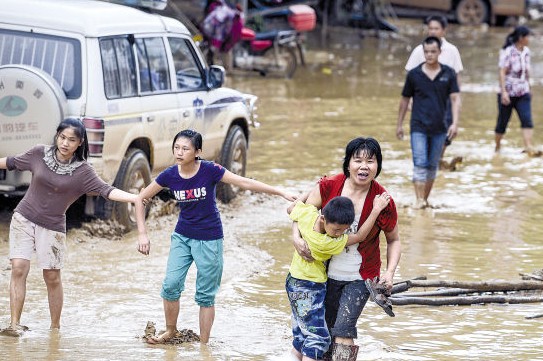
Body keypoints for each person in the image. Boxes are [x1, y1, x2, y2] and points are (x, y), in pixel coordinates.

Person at [135, 129, 296, 344]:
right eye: (176, 148)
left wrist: (280, 192)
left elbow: (244, 182)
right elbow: (140, 199)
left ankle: (204, 345)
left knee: (205, 295)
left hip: (210, 239)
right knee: (170, 286)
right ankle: (170, 331)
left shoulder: (210, 170)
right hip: (182, 236)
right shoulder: (169, 175)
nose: (180, 153)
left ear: (197, 151)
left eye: (185, 149)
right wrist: (142, 234)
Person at [0, 118, 143, 337]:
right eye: (62, 137)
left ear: (80, 143)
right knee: (19, 267)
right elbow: (10, 162)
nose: (65, 143)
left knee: (52, 277)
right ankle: (14, 324)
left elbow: (106, 190)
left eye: (72, 140)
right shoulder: (39, 153)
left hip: (53, 226)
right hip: (24, 218)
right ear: (57, 136)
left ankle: (55, 329)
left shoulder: (83, 171)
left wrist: (134, 197)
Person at [291, 137, 401, 361]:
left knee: (343, 329)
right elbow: (300, 213)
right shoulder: (329, 185)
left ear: (377, 166)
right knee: (323, 331)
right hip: (323, 274)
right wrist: (296, 239)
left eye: (370, 161)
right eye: (357, 160)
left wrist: (389, 273)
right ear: (348, 163)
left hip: (361, 276)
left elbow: (394, 240)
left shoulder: (382, 201)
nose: (363, 166)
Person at [286, 194, 391, 361]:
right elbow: (360, 236)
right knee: (317, 339)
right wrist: (376, 209)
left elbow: (292, 207)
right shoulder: (326, 242)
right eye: (336, 230)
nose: (339, 234)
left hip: (293, 281)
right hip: (310, 287)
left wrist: (309, 192)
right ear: (323, 219)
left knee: (301, 335)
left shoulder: (308, 215)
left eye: (344, 230)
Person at [397, 36, 461, 209]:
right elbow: (404, 100)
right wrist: (399, 124)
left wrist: (455, 123)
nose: (429, 55)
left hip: (440, 128)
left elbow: (455, 99)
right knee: (420, 163)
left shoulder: (448, 74)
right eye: (426, 52)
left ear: (440, 52)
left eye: (433, 51)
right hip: (418, 126)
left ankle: (424, 200)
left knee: (432, 166)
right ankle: (419, 201)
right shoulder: (414, 75)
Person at [405, 15, 463, 170]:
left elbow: (457, 77)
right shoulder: (420, 50)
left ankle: (438, 159)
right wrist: (410, 99)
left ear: (444, 30)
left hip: (446, 100)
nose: (432, 31)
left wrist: (458, 99)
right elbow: (410, 76)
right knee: (423, 132)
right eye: (430, 28)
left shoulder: (452, 51)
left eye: (436, 28)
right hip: (424, 100)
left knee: (446, 134)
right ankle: (432, 163)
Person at [495, 25, 538, 155]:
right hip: (508, 92)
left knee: (527, 119)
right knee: (503, 122)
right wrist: (504, 92)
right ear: (521, 38)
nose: (529, 39)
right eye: (527, 36)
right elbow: (502, 72)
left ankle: (528, 146)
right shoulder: (508, 52)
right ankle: (497, 147)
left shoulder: (527, 51)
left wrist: (529, 87)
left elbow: (527, 71)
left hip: (523, 91)